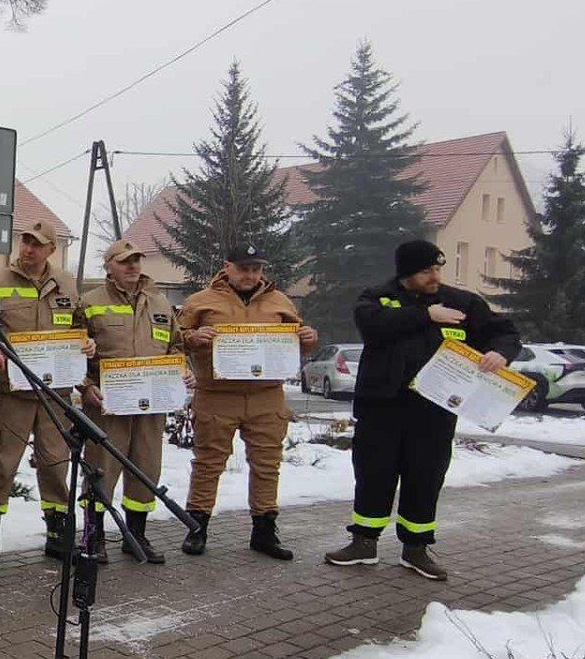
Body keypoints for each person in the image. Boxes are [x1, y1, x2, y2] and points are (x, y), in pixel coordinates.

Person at [325, 239, 520, 580]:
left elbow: (505, 332)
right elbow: (374, 327)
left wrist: (501, 352)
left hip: (434, 410)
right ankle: (363, 542)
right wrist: (425, 314)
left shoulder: (462, 302)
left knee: (425, 477)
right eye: (426, 270)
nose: (434, 276)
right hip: (381, 407)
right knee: (374, 474)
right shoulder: (376, 297)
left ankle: (416, 548)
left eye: (437, 269)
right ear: (406, 273)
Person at [176, 244, 318, 559]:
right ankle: (197, 527)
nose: (250, 275)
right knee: (208, 464)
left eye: (256, 269)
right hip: (216, 396)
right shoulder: (201, 301)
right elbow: (175, 338)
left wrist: (308, 341)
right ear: (227, 267)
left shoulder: (280, 302)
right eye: (243, 269)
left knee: (267, 465)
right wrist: (192, 339)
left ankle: (265, 531)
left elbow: (293, 344)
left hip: (266, 396)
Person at [0, 221, 84, 567]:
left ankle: (56, 532)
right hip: (11, 391)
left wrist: (87, 343)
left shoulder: (67, 283)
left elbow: (80, 326)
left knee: (56, 463)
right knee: (1, 463)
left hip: (55, 393)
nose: (28, 249)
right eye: (25, 242)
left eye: (36, 245)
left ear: (51, 250)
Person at [78, 238, 177, 564]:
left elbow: (176, 348)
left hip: (150, 406)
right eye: (124, 261)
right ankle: (94, 538)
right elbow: (73, 353)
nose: (133, 266)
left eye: (136, 260)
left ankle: (136, 535)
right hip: (108, 405)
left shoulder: (160, 303)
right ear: (108, 266)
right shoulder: (90, 302)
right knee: (100, 470)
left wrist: (183, 370)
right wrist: (87, 385)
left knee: (146, 468)